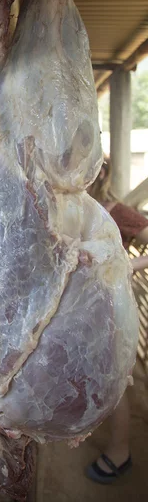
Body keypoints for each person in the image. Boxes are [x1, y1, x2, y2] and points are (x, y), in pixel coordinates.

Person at [86, 157, 148, 484]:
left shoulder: (117, 211)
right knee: (97, 376)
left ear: (103, 172)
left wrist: (124, 267)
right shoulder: (75, 209)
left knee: (117, 383)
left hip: (112, 308)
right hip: (86, 311)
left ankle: (119, 452)